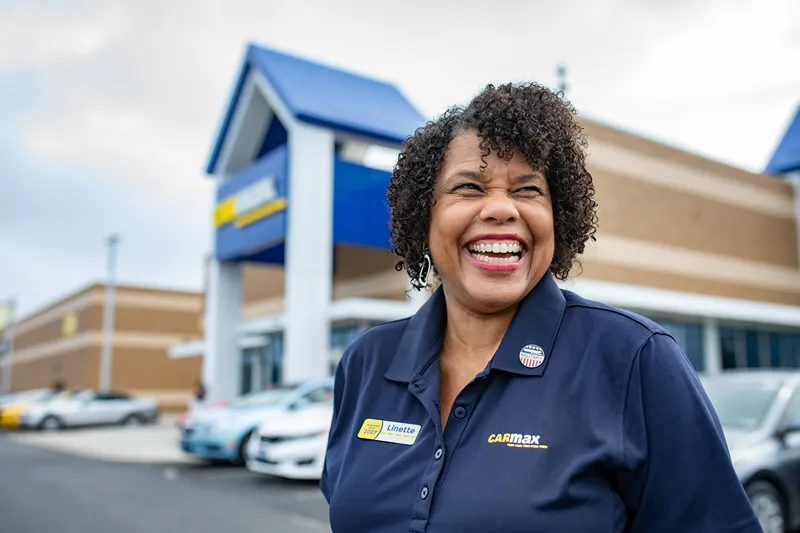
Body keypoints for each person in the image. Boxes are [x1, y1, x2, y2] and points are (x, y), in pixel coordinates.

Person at [320, 83, 761, 532]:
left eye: (527, 190)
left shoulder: (633, 359)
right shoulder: (366, 363)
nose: (499, 208)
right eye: (469, 187)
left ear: (558, 217)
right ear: (424, 217)